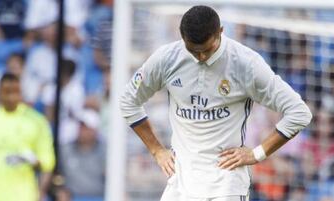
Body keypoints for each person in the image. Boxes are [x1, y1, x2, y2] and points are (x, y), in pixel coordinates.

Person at [120, 5, 312, 201]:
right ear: (182, 37)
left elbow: (299, 112)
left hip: (226, 184)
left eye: (208, 49)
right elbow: (128, 101)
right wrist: (157, 150)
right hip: (180, 184)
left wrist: (257, 154)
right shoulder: (167, 59)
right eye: (194, 51)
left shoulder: (246, 63)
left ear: (221, 31)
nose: (202, 57)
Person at [0, 73, 55, 201]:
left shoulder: (36, 121)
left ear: (21, 92)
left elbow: (47, 163)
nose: (10, 97)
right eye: (6, 92)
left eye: (14, 92)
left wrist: (40, 192)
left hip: (23, 195)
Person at [59, 108, 106, 198]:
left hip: (99, 197)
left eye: (85, 127)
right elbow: (56, 176)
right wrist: (59, 191)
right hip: (72, 197)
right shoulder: (65, 150)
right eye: (80, 126)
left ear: (95, 131)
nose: (81, 130)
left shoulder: (105, 151)